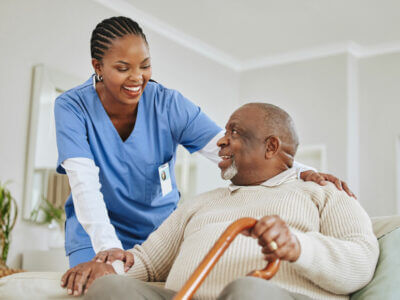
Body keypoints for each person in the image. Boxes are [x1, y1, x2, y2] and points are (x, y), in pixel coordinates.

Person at [54, 16, 355, 270]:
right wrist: (108, 246)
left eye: (144, 66)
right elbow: (84, 184)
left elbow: (229, 150)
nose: (137, 78)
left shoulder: (168, 104)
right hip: (95, 231)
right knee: (99, 288)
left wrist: (300, 171)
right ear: (98, 66)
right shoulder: (71, 107)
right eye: (123, 68)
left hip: (158, 234)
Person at [61, 103, 378, 299]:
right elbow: (146, 261)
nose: (222, 140)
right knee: (109, 289)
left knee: (248, 291)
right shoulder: (201, 203)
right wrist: (108, 269)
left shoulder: (323, 193)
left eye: (235, 132)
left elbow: (362, 261)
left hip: (270, 296)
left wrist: (298, 247)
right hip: (184, 296)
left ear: (271, 146)